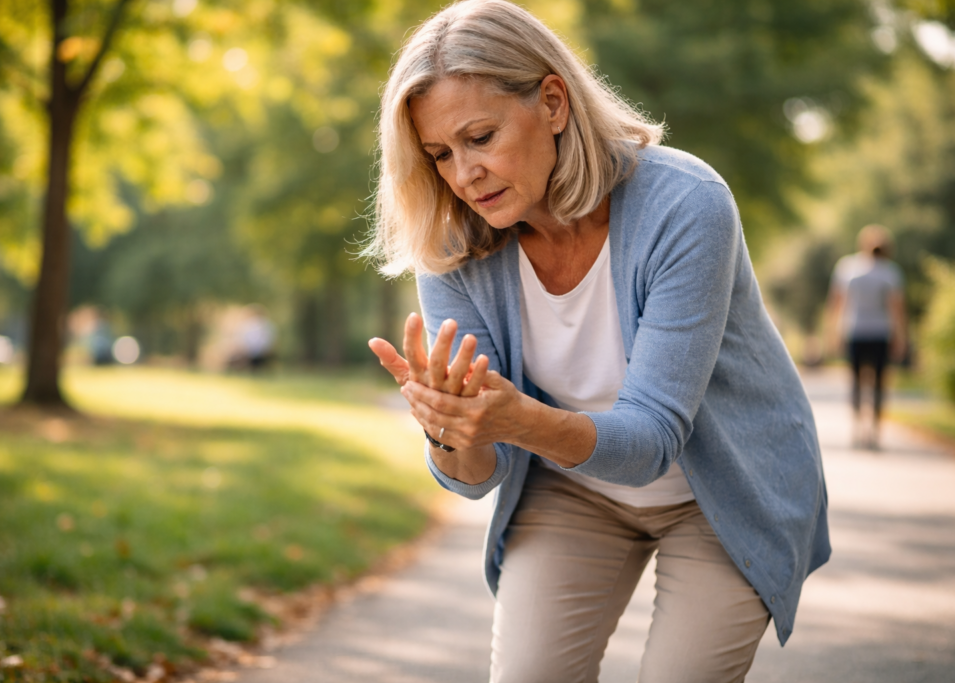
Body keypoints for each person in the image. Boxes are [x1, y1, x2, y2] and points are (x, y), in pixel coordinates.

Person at [365, 2, 830, 681]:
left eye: (481, 136)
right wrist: (451, 427)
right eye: (440, 154)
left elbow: (649, 441)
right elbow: (477, 478)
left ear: (553, 101)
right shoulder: (450, 246)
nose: (463, 174)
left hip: (720, 494)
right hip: (571, 488)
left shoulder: (686, 203)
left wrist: (514, 416)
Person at [826, 225, 906, 450]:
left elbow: (836, 304)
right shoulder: (891, 272)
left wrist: (832, 332)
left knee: (857, 383)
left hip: (856, 332)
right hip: (878, 333)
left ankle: (860, 431)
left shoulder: (848, 267)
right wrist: (901, 337)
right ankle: (873, 433)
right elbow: (897, 309)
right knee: (878, 384)